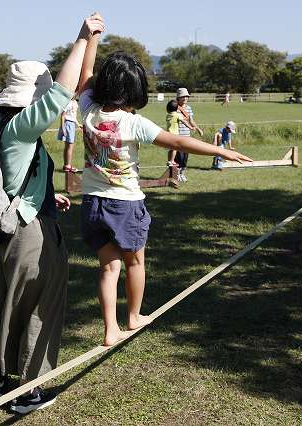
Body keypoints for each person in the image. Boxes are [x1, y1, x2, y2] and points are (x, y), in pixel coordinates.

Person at [77, 31, 252, 347]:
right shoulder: (133, 122)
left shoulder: (87, 109)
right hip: (125, 205)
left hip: (92, 203)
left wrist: (91, 37)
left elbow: (86, 73)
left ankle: (110, 330)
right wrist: (220, 150)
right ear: (133, 90)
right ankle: (133, 317)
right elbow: (178, 141)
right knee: (135, 263)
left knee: (108, 268)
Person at [0, 14, 105, 415]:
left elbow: (16, 178)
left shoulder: (3, 126)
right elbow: (63, 93)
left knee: (14, 303)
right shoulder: (20, 127)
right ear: (31, 98)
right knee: (41, 308)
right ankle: (28, 391)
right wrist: (81, 37)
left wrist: (46, 196)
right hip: (29, 235)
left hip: (15, 227)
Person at [174, 87, 203, 182]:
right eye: (183, 96)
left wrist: (198, 129)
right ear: (178, 97)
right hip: (178, 136)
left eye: (187, 96)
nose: (185, 98)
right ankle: (176, 174)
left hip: (187, 136)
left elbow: (191, 121)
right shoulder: (174, 107)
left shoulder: (189, 108)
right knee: (179, 156)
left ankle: (182, 173)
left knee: (185, 157)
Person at [165, 99, 194, 169]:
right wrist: (191, 127)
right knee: (175, 148)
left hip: (168, 134)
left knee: (170, 149)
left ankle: (169, 160)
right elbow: (184, 122)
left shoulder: (168, 115)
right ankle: (172, 160)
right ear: (176, 109)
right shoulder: (177, 115)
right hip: (175, 135)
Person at [57, 96, 81, 172]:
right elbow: (63, 115)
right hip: (67, 124)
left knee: (69, 146)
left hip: (72, 124)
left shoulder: (75, 102)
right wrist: (63, 128)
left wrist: (78, 124)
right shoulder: (68, 102)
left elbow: (73, 116)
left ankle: (66, 165)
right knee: (70, 145)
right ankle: (68, 166)